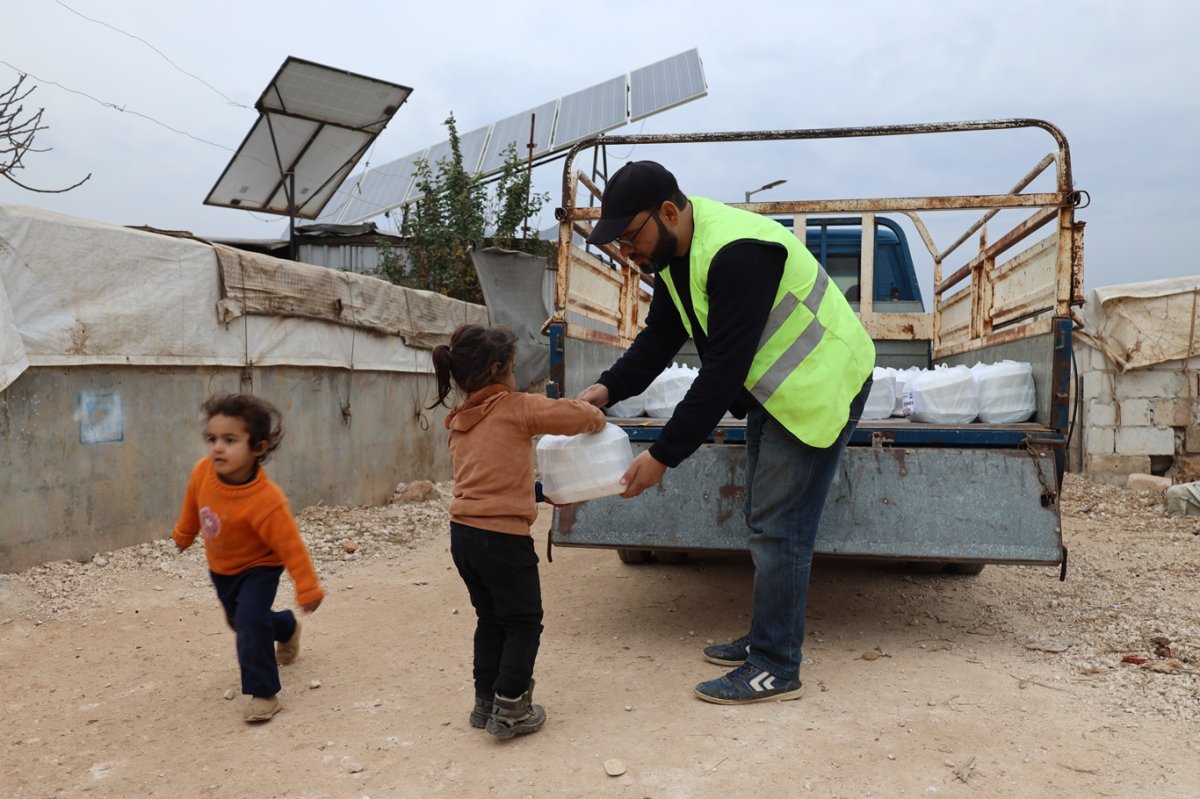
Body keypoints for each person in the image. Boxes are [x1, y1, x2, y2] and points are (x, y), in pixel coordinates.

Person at [577, 161, 875, 705]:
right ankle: (769, 637)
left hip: (821, 383)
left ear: (668, 212)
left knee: (780, 527)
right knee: (764, 518)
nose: (627, 251)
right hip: (778, 388)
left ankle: (776, 666)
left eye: (629, 236)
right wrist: (605, 388)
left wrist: (662, 457)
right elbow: (661, 336)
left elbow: (721, 372)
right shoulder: (675, 256)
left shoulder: (737, 251)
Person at [430, 323, 605, 739]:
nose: (515, 375)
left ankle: (485, 701)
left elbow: (495, 470)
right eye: (511, 367)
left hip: (463, 536)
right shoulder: (516, 406)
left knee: (490, 618)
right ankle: (511, 709)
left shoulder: (457, 422)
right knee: (524, 622)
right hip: (504, 540)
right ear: (496, 369)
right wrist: (596, 415)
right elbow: (573, 416)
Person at [172, 394, 325, 723]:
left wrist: (308, 587)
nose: (217, 448)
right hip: (222, 569)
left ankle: (264, 693)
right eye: (212, 439)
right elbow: (192, 503)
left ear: (259, 448)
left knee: (248, 623)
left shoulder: (266, 500)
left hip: (261, 567)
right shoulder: (202, 473)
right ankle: (285, 626)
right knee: (239, 621)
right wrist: (185, 534)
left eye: (230, 440)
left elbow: (291, 546)